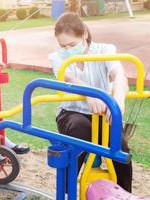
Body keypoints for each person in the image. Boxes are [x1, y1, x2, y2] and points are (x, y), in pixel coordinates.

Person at [48, 13, 132, 192]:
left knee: (119, 145)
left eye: (72, 44)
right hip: (72, 113)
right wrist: (90, 94)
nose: (67, 49)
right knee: (80, 130)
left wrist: (117, 102)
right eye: (63, 45)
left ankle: (125, 193)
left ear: (84, 34)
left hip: (102, 113)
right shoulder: (57, 57)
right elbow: (68, 77)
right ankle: (66, 191)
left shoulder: (105, 50)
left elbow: (119, 75)